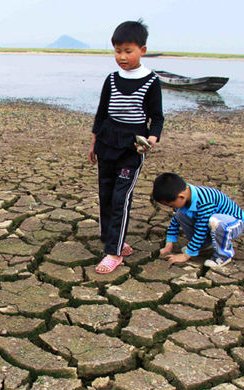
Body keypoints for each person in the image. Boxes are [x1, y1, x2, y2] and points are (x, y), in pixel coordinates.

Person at [89, 19, 164, 274]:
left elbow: (157, 117)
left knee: (121, 198)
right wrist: (94, 142)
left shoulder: (151, 81)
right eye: (117, 51)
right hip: (107, 142)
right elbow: (101, 114)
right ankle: (110, 238)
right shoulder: (111, 80)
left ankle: (114, 252)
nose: (122, 57)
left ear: (142, 50)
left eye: (128, 51)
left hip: (132, 147)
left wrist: (152, 138)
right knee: (106, 194)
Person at [152, 172, 244, 268]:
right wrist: (169, 244)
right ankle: (203, 246)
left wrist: (186, 255)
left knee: (215, 221)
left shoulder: (204, 202)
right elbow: (175, 222)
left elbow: (201, 230)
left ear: (181, 197)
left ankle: (224, 255)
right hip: (211, 224)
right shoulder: (184, 197)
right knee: (180, 214)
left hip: (233, 224)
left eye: (171, 205)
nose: (171, 208)